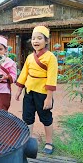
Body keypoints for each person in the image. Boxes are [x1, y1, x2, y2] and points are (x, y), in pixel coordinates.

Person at [15, 26, 58, 155]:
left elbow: (52, 78)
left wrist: (49, 98)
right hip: (29, 92)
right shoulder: (29, 57)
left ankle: (49, 142)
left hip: (43, 93)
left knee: (45, 118)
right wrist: (18, 90)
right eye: (33, 38)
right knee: (27, 117)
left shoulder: (51, 58)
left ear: (46, 41)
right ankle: (28, 142)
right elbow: (24, 74)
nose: (36, 41)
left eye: (39, 38)